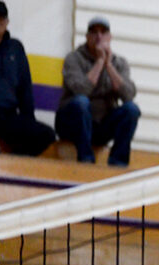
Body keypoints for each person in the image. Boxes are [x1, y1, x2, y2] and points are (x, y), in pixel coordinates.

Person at [56, 16, 139, 166]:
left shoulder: (119, 63)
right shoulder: (73, 58)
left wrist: (108, 64)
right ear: (87, 37)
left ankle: (118, 163)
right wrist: (100, 62)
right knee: (81, 102)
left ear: (110, 37)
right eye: (94, 32)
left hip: (101, 126)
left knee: (132, 110)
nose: (98, 37)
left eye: (103, 32)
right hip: (72, 124)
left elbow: (129, 95)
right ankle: (86, 160)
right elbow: (81, 89)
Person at [0, 0, 56, 156]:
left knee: (46, 134)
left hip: (8, 117)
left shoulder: (16, 48)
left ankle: (14, 162)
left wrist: (29, 122)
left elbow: (25, 89)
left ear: (7, 22)